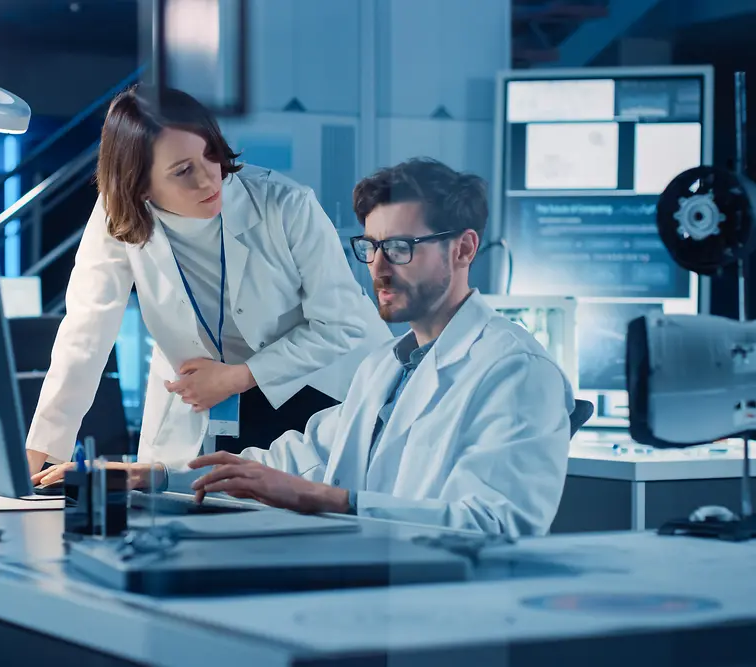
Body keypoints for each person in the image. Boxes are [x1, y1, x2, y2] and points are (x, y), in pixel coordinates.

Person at [43, 158, 575, 537]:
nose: (378, 269)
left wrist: (325, 500)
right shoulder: (384, 370)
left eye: (401, 247)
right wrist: (152, 476)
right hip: (370, 593)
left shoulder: (516, 371)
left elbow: (500, 525)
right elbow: (292, 461)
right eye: (370, 247)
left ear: (463, 248)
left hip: (442, 619)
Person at [25, 85, 391, 476]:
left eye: (211, 154)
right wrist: (36, 455)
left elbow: (342, 325)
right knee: (191, 503)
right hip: (208, 396)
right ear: (140, 185)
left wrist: (239, 376)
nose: (209, 180)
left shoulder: (286, 204)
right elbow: (86, 333)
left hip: (317, 384)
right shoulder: (119, 216)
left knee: (289, 505)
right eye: (182, 171)